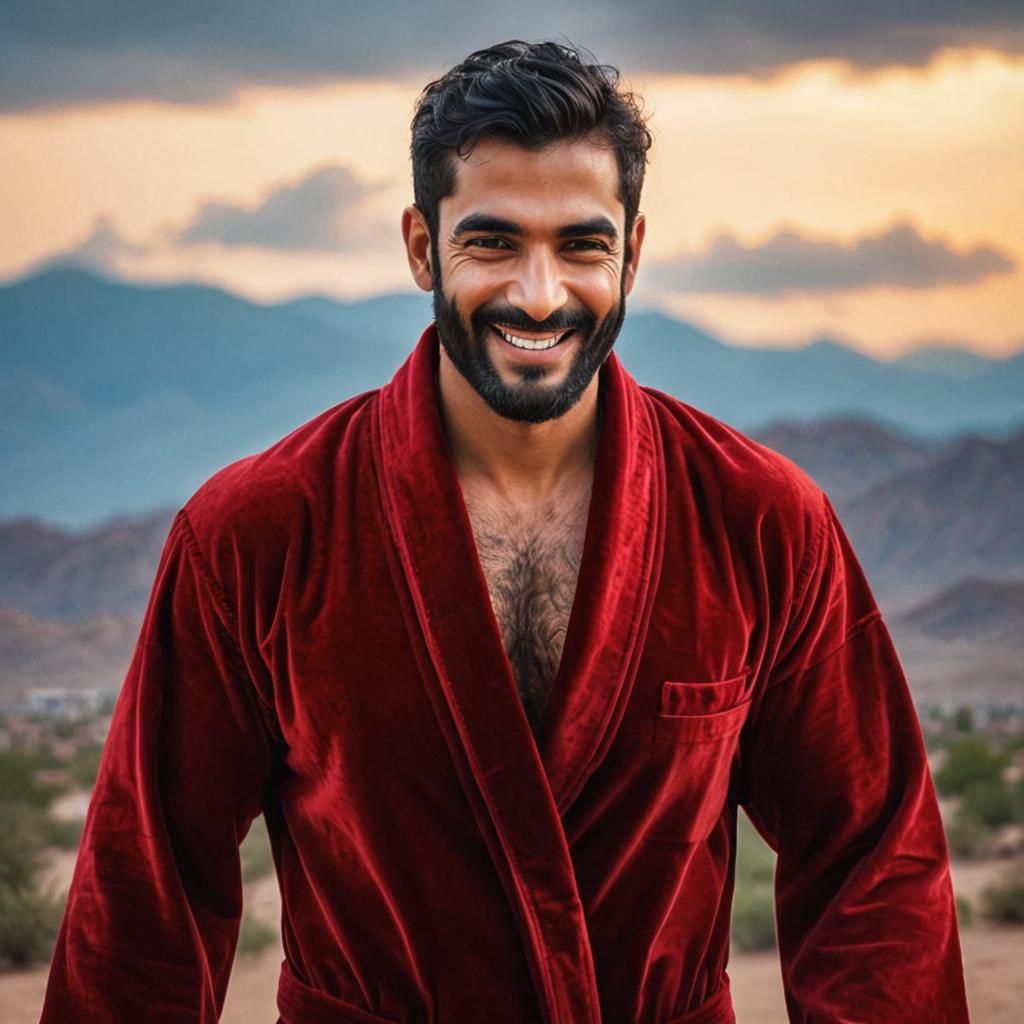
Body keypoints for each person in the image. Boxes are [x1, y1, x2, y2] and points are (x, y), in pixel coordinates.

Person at [41, 40, 969, 1024]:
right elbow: (145, 891)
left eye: (581, 245)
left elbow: (873, 863)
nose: (538, 294)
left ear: (634, 252)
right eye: (491, 243)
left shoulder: (760, 521)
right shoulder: (258, 531)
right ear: (419, 246)